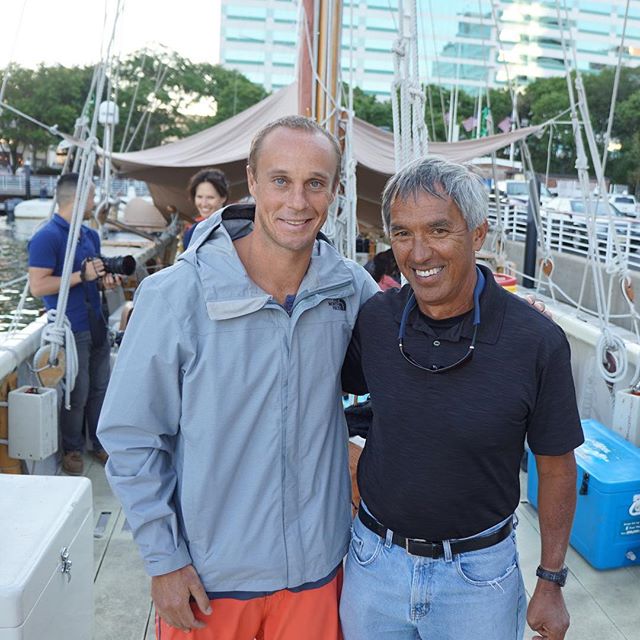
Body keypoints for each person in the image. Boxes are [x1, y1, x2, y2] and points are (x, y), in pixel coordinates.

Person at [97, 116, 379, 640]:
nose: (298, 201)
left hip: (317, 575)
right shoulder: (175, 297)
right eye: (280, 180)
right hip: (209, 582)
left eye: (315, 183)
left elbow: (412, 354)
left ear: (335, 191)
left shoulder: (350, 289)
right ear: (251, 180)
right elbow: (132, 439)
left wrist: (502, 317)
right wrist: (163, 561)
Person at [339, 157, 584, 640]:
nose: (419, 251)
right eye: (402, 233)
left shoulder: (535, 341)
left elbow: (557, 467)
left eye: (438, 230)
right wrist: (352, 451)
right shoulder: (376, 319)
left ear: (477, 235)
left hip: (478, 579)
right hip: (372, 564)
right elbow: (323, 392)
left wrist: (551, 581)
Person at [28, 173, 117, 475]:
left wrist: (107, 280)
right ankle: (73, 448)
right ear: (78, 199)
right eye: (92, 197)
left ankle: (99, 443)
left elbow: (96, 276)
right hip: (71, 326)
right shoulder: (47, 236)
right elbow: (38, 287)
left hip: (96, 322)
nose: (95, 203)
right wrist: (83, 276)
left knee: (100, 388)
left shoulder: (89, 235)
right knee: (76, 394)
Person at [182, 168, 229, 249]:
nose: (204, 203)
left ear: (223, 198)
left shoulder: (234, 230)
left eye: (210, 197)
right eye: (199, 197)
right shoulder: (191, 232)